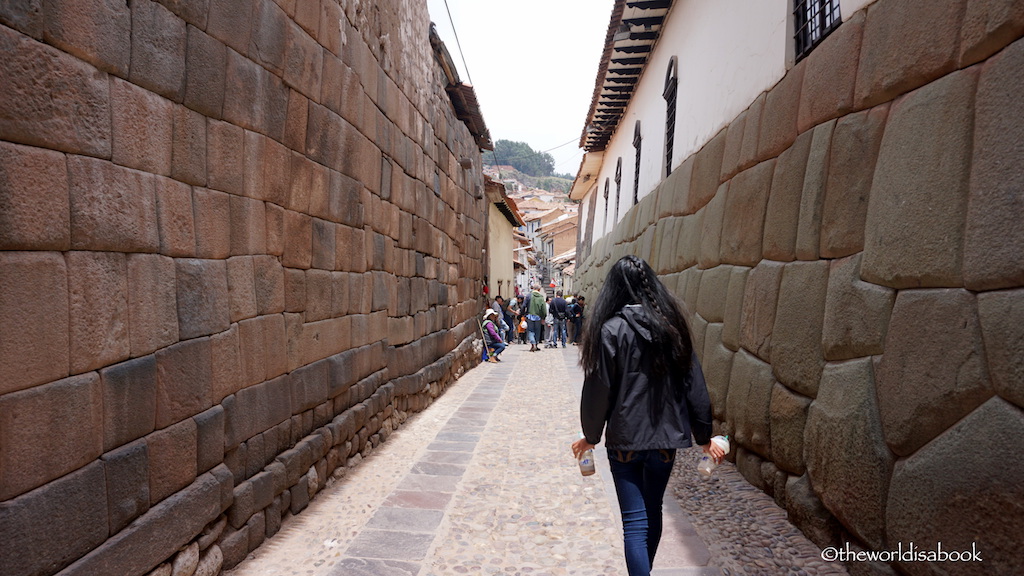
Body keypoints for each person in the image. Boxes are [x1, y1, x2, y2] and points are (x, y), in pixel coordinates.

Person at [570, 255, 723, 576]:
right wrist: (704, 437)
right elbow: (695, 385)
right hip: (665, 442)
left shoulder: (610, 331)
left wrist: (591, 436)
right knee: (652, 513)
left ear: (614, 289)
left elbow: (599, 390)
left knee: (634, 524)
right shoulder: (673, 330)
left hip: (625, 441)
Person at [523, 283, 547, 352]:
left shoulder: (529, 296)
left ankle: (533, 344)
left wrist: (523, 314)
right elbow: (543, 308)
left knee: (530, 330)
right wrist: (543, 317)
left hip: (530, 316)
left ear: (533, 288)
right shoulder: (541, 297)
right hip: (538, 317)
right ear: (539, 289)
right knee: (537, 331)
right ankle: (536, 344)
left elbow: (524, 306)